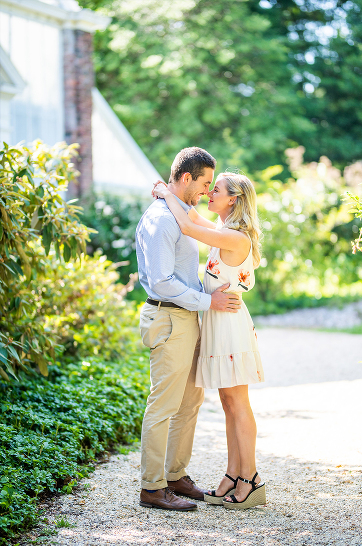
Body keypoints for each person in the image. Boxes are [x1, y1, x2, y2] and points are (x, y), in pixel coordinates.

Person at [152, 171, 267, 511]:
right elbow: (194, 217)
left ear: (233, 199)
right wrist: (167, 192)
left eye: (215, 190)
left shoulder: (237, 238)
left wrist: (164, 193)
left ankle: (250, 479)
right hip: (219, 321)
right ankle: (233, 474)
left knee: (238, 403)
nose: (208, 193)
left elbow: (188, 226)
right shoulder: (224, 232)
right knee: (230, 404)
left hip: (230, 325)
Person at [135, 147, 241, 511]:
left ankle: (175, 475)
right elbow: (162, 282)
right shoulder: (163, 220)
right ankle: (152, 487)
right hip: (169, 316)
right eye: (205, 183)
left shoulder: (178, 212)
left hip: (186, 317)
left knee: (190, 401)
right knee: (163, 404)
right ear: (186, 178)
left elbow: (195, 220)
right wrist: (208, 302)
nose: (207, 191)